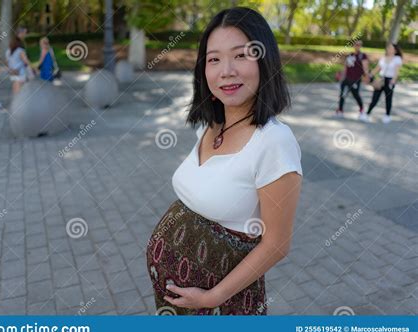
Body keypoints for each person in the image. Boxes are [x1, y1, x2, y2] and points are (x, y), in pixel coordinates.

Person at [146, 7, 303, 315]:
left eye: (241, 55)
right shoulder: (212, 126)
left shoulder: (274, 141)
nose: (226, 70)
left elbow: (277, 245)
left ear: (264, 59)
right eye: (214, 59)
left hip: (224, 309)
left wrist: (211, 297)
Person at [365, 43, 403, 124]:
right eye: (388, 47)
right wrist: (369, 75)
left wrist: (393, 80)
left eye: (391, 48)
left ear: (395, 50)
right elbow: (377, 69)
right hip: (381, 79)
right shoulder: (383, 58)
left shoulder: (397, 59)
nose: (388, 49)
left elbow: (396, 71)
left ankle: (387, 115)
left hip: (390, 80)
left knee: (388, 99)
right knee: (375, 98)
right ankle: (367, 113)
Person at [335, 40, 369, 119]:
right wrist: (341, 76)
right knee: (342, 94)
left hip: (356, 79)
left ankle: (361, 109)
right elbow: (345, 67)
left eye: (359, 45)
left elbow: (365, 68)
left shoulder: (362, 56)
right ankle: (340, 110)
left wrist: (366, 77)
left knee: (355, 94)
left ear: (361, 46)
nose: (357, 46)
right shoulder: (349, 55)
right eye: (356, 44)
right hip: (347, 78)